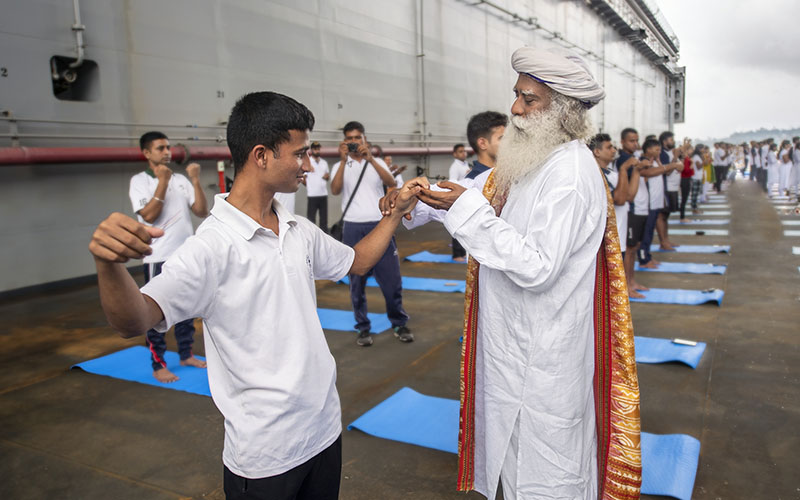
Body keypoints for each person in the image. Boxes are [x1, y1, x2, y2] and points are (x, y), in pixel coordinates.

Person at [90, 92, 421, 500]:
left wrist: (395, 211)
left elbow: (358, 261)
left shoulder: (296, 228)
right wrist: (109, 265)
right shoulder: (210, 247)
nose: (307, 165)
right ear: (261, 156)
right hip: (267, 456)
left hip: (323, 432)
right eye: (299, 154)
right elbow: (133, 320)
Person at [385, 46, 641, 500]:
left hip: (544, 365)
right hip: (513, 353)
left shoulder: (571, 173)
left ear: (563, 110)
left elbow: (536, 265)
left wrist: (463, 209)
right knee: (514, 471)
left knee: (547, 479)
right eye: (517, 96)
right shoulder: (538, 159)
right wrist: (422, 201)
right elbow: (485, 200)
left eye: (529, 99)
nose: (516, 109)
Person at [129, 131, 209, 383]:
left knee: (188, 309)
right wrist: (162, 182)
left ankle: (186, 354)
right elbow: (149, 215)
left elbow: (201, 210)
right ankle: (159, 364)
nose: (167, 152)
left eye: (168, 147)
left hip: (186, 256)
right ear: (147, 153)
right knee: (156, 314)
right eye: (161, 148)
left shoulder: (181, 180)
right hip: (158, 257)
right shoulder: (139, 181)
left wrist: (195, 180)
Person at [330, 121, 413, 346]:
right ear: (345, 141)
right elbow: (335, 190)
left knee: (391, 279)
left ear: (364, 139)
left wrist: (370, 160)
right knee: (356, 282)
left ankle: (398, 321)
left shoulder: (375, 162)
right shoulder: (341, 166)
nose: (354, 142)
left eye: (358, 138)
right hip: (353, 226)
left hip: (379, 224)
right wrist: (341, 160)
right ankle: (363, 327)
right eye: (350, 139)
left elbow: (390, 182)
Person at [590, 133, 640, 260]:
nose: (614, 150)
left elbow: (629, 196)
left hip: (618, 237)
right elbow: (619, 200)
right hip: (607, 242)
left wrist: (636, 171)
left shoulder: (611, 173)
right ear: (597, 152)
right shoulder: (596, 175)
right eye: (609, 147)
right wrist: (624, 169)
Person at [658, 131, 684, 250]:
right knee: (662, 216)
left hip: (673, 188)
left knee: (666, 216)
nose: (673, 142)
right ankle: (663, 242)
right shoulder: (663, 154)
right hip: (666, 188)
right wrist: (674, 158)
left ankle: (667, 240)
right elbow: (666, 171)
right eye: (671, 140)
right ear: (664, 142)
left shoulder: (670, 153)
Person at [449, 143, 471, 261]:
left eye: (464, 151)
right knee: (457, 225)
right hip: (458, 198)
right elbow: (453, 182)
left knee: (464, 225)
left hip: (465, 197)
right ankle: (456, 254)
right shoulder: (455, 167)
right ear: (455, 154)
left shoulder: (465, 164)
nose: (464, 153)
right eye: (461, 151)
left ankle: (462, 252)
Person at [306, 141, 330, 232]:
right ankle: (311, 236)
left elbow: (327, 176)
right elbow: (303, 178)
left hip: (323, 194)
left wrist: (327, 177)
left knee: (324, 219)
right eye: (315, 149)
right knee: (311, 219)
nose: (317, 150)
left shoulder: (324, 162)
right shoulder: (308, 162)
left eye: (318, 148)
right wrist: (309, 186)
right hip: (312, 195)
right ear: (312, 150)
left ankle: (325, 238)